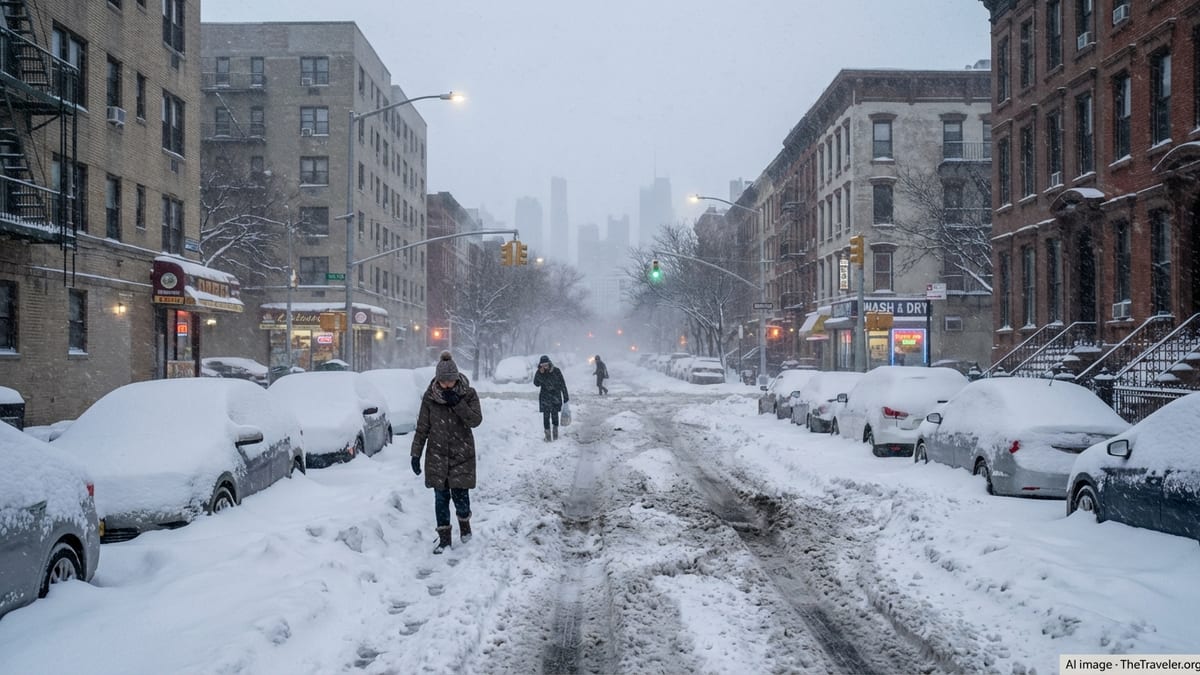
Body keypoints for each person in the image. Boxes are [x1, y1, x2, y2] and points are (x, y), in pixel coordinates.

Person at [411, 351, 483, 554]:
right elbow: (422, 427)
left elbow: (476, 420)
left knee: (461, 496)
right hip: (437, 456)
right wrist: (415, 454)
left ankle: (465, 526)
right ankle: (444, 540)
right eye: (444, 382)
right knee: (440, 499)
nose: (447, 385)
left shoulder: (468, 394)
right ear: (438, 380)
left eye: (451, 381)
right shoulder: (430, 397)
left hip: (462, 454)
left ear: (457, 378)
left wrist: (457, 404)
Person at [533, 354, 568, 441]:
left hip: (555, 396)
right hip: (545, 397)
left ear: (549, 363)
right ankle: (547, 436)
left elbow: (563, 384)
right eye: (542, 365)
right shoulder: (540, 373)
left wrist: (565, 396)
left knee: (555, 416)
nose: (545, 366)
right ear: (540, 365)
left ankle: (555, 434)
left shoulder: (556, 371)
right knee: (546, 417)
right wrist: (539, 373)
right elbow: (536, 384)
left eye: (546, 364)